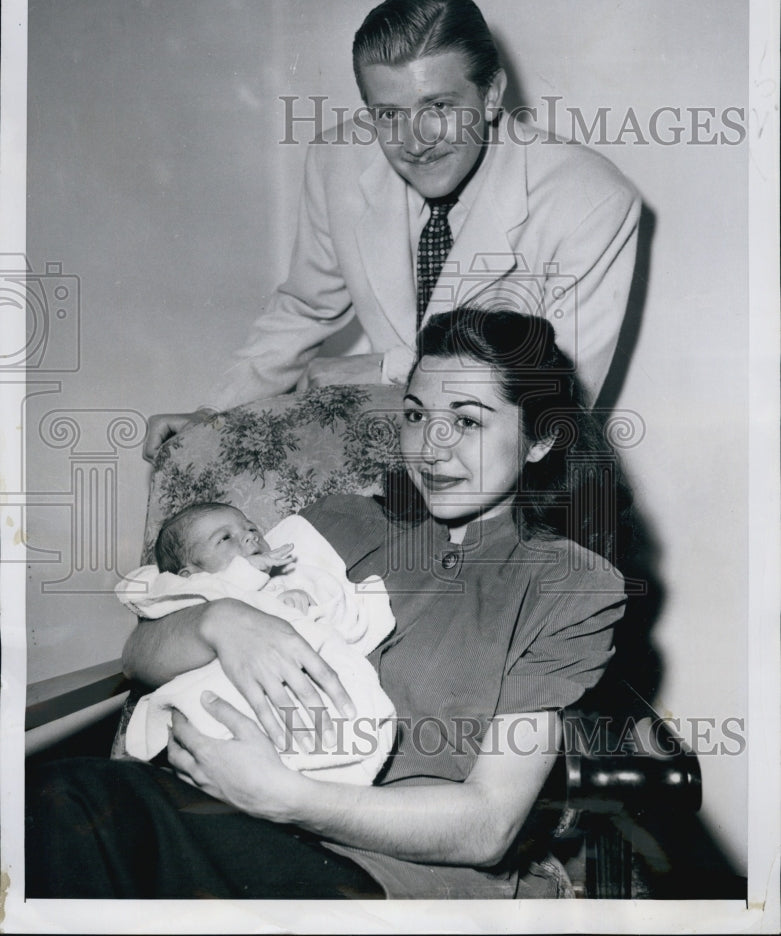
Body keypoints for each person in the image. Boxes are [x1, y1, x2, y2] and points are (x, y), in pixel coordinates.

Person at [27, 308, 631, 899]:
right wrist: (222, 621)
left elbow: (487, 824)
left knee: (69, 805)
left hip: (385, 876)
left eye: (468, 422)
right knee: (52, 801)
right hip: (212, 816)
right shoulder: (341, 522)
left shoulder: (567, 586)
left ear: (541, 439)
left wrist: (283, 796)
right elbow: (139, 655)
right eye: (417, 415)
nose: (431, 448)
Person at [142, 0, 641, 462]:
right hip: (391, 454)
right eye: (388, 114)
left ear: (491, 95)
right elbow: (304, 308)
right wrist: (212, 414)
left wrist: (385, 370)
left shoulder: (591, 199)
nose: (415, 142)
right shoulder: (336, 161)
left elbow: (551, 393)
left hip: (509, 476)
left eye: (439, 107)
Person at [115, 502, 396, 784]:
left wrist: (304, 605)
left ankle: (323, 770)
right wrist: (250, 573)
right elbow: (218, 593)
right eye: (225, 538)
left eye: (251, 528)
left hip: (286, 691)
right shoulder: (190, 593)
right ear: (189, 574)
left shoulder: (285, 579)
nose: (250, 536)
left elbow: (332, 625)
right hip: (219, 694)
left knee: (326, 717)